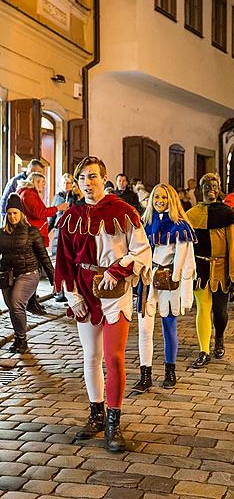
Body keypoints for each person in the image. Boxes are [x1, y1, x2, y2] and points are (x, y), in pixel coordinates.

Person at [54, 156, 152, 452]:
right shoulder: (71, 216)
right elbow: (64, 262)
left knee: (114, 357)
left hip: (114, 291)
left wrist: (116, 269)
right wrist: (72, 295)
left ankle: (113, 421)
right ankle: (95, 414)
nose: (87, 182)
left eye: (93, 176)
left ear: (104, 179)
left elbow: (142, 250)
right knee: (91, 356)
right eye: (82, 177)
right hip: (83, 290)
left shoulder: (124, 211)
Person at [132, 184, 196, 393]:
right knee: (144, 328)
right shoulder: (144, 223)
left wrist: (181, 282)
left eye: (164, 197)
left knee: (169, 327)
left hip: (168, 280)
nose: (160, 200)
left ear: (172, 199)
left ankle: (170, 371)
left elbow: (185, 258)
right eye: (156, 197)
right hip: (146, 278)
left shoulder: (180, 225)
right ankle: (145, 374)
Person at [186, 173, 234, 368]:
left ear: (219, 188)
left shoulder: (227, 214)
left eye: (214, 185)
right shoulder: (192, 215)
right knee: (203, 308)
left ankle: (219, 337)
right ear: (200, 189)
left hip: (221, 268)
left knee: (220, 311)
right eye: (206, 185)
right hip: (200, 268)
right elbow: (185, 245)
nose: (210, 189)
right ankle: (204, 350)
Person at [0, 193, 54, 353]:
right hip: (7, 275)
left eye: (15, 213)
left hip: (29, 273)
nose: (12, 216)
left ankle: (22, 340)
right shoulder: (2, 233)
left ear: (21, 214)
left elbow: (43, 256)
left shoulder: (32, 231)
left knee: (16, 302)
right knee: (12, 307)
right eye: (9, 213)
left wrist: (54, 278)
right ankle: (18, 338)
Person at [17, 173, 67, 315]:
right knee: (34, 270)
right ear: (35, 181)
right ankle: (30, 302)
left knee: (35, 269)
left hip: (34, 235)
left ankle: (31, 301)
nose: (44, 185)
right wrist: (58, 208)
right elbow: (40, 213)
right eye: (42, 182)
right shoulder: (29, 194)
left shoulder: (28, 192)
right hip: (33, 236)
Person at [48, 173, 82, 303]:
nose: (66, 186)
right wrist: (45, 232)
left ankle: (71, 291)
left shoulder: (76, 197)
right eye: (64, 183)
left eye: (69, 183)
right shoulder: (57, 197)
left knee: (71, 264)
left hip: (71, 234)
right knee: (58, 264)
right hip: (58, 233)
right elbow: (52, 216)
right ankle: (59, 291)